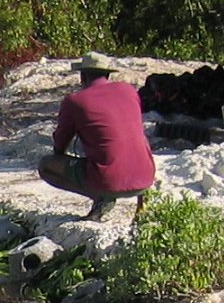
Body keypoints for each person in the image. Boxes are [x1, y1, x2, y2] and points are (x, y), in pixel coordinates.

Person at [38, 52, 155, 219]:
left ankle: (101, 197)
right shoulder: (129, 91)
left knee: (46, 165)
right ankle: (142, 205)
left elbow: (60, 144)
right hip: (145, 177)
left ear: (82, 76)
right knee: (135, 139)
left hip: (108, 180)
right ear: (107, 74)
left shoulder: (75, 101)